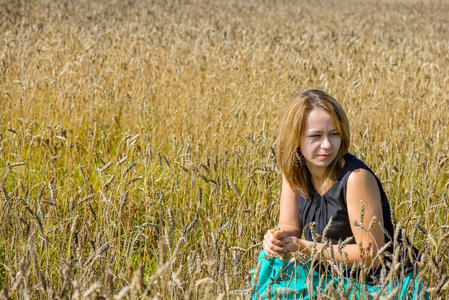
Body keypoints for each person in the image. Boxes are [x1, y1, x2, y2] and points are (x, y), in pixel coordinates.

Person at [251, 90, 425, 299]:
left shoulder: (356, 178)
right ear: (295, 138)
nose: (327, 145)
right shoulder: (293, 171)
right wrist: (276, 237)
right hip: (327, 271)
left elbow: (371, 255)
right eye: (316, 136)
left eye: (334, 134)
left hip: (378, 282)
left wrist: (306, 248)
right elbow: (291, 226)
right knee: (270, 261)